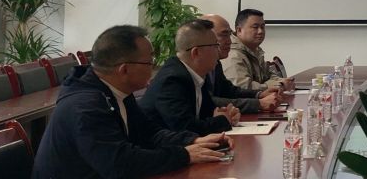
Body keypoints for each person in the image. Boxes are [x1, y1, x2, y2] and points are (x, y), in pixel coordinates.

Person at [32, 25, 230, 178]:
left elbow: (149, 134)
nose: (154, 68)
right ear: (124, 69)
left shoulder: (116, 91)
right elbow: (119, 163)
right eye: (149, 62)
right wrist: (184, 155)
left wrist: (193, 141)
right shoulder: (86, 107)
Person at [140, 19, 240, 135]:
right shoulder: (172, 80)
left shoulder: (196, 74)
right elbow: (185, 128)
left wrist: (225, 114)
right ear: (196, 52)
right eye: (215, 46)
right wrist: (223, 120)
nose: (218, 51)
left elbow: (208, 113)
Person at [201, 14, 281, 112]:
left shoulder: (216, 62)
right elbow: (208, 102)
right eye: (224, 35)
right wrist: (258, 103)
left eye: (229, 35)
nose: (229, 41)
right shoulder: (191, 70)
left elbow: (229, 91)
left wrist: (259, 94)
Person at [222, 8, 294, 91]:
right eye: (255, 27)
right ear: (239, 30)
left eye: (262, 27)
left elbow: (268, 75)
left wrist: (282, 82)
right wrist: (270, 86)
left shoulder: (255, 50)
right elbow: (241, 87)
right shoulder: (232, 54)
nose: (260, 31)